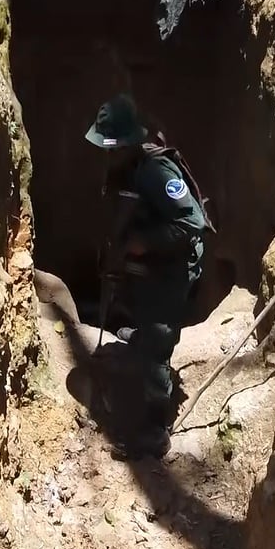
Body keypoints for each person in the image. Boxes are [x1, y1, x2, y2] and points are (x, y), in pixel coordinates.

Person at [85, 94, 208, 458]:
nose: (107, 153)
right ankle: (142, 340)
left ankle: (154, 431)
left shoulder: (156, 171)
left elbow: (192, 224)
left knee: (157, 343)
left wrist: (143, 243)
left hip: (174, 269)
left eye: (112, 146)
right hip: (153, 266)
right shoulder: (127, 168)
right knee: (143, 319)